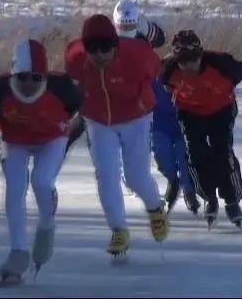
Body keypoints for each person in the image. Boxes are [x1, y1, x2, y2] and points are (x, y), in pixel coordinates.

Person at [0, 39, 81, 284]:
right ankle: (18, 253)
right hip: (13, 141)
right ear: (13, 74)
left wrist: (67, 139)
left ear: (45, 77)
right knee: (15, 188)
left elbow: (86, 112)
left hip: (52, 140)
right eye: (23, 77)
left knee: (41, 181)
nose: (29, 84)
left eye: (37, 78)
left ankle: (46, 227)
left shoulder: (62, 88)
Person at [64, 14, 168, 258]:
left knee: (135, 177)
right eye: (92, 49)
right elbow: (71, 87)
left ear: (116, 44)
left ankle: (155, 208)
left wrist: (141, 94)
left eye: (105, 48)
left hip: (135, 118)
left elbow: (156, 70)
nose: (99, 55)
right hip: (99, 121)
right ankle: (119, 230)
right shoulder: (75, 57)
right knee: (107, 176)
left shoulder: (138, 54)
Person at [160, 30, 242, 229]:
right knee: (194, 155)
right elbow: (156, 79)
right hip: (190, 112)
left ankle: (232, 199)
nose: (189, 66)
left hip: (222, 110)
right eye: (183, 62)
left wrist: (228, 87)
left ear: (201, 55)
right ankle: (209, 196)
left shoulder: (220, 63)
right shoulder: (168, 69)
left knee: (221, 151)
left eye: (193, 60)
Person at [152, 77, 201, 215]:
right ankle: (173, 181)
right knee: (164, 159)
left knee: (184, 159)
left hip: (182, 126)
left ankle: (188, 190)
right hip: (159, 126)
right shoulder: (154, 82)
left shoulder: (184, 79)